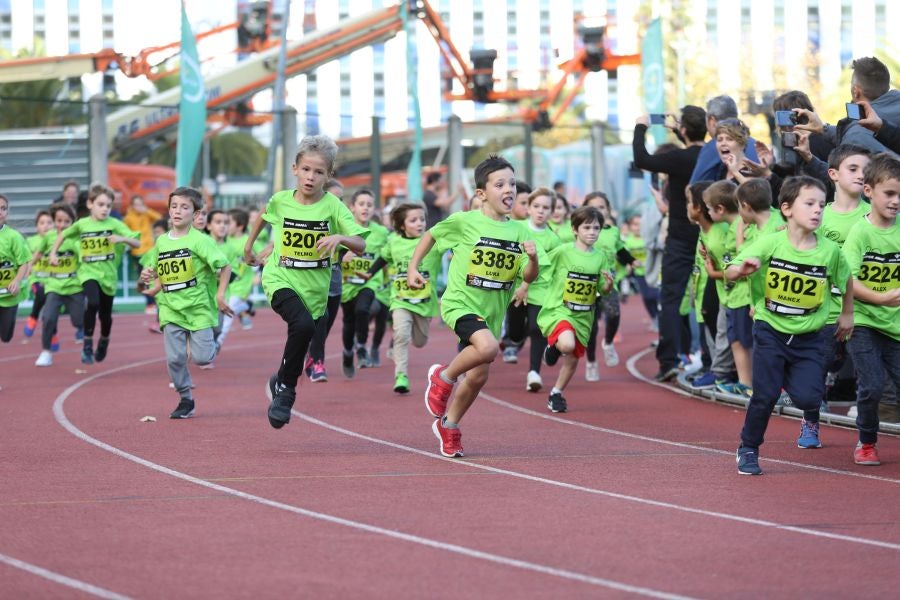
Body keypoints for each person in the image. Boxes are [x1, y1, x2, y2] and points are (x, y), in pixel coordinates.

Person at [408, 155, 537, 458]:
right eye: (500, 184)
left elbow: (528, 276)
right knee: (490, 347)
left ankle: (449, 426)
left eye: (512, 184)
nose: (509, 190)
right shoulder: (465, 222)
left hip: (491, 312)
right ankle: (442, 377)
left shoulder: (520, 232)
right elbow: (431, 235)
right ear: (481, 193)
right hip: (460, 304)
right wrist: (415, 267)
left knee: (478, 377)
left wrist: (532, 259)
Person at [727, 176, 853, 475]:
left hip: (810, 335)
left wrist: (847, 313)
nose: (817, 211)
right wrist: (741, 271)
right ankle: (748, 448)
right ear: (786, 208)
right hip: (771, 329)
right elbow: (731, 270)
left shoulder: (829, 251)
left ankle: (791, 379)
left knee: (809, 398)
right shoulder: (770, 242)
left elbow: (845, 278)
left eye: (821, 205)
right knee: (765, 395)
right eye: (809, 204)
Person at [245, 135, 367, 429]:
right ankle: (286, 392)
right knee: (303, 326)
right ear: (294, 169)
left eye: (319, 172)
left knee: (306, 328)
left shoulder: (333, 207)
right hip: (280, 277)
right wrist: (250, 246)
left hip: (315, 287)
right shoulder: (281, 200)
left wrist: (340, 238)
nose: (311, 177)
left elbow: (360, 244)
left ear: (329, 175)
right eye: (306, 170)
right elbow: (265, 215)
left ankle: (281, 377)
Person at [140, 187, 233, 419]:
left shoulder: (200, 241)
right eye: (174, 206)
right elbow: (154, 268)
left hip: (199, 309)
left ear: (195, 213)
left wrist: (220, 296)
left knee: (202, 358)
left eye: (184, 207)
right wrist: (147, 275)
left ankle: (212, 343)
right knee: (174, 359)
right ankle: (185, 399)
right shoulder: (161, 241)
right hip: (171, 309)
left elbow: (225, 266)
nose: (178, 211)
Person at [633, 106, 707, 381]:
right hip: (710, 235)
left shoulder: (678, 158)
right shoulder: (713, 155)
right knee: (709, 298)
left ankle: (669, 360)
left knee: (672, 299)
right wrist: (682, 130)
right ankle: (708, 359)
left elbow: (642, 158)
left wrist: (641, 126)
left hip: (679, 236)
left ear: (683, 130)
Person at [842, 153, 900, 466]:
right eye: (889, 193)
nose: (895, 201)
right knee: (873, 384)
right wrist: (879, 298)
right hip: (864, 320)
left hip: (895, 324)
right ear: (869, 191)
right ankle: (866, 442)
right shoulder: (860, 232)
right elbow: (847, 279)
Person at [49, 183, 140, 364]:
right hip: (88, 272)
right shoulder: (82, 224)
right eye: (100, 204)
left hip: (108, 275)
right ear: (90, 204)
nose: (105, 209)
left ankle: (104, 341)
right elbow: (62, 235)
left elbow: (137, 243)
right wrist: (53, 253)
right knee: (92, 302)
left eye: (108, 205)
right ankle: (87, 344)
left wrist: (121, 238)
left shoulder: (114, 224)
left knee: (105, 316)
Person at [537, 206, 614, 412]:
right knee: (568, 345)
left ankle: (556, 393)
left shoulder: (600, 258)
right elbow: (541, 265)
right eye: (587, 227)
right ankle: (553, 346)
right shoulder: (563, 251)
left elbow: (601, 289)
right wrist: (525, 284)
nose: (592, 232)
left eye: (596, 228)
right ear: (574, 230)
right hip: (560, 309)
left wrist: (607, 286)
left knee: (572, 359)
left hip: (584, 315)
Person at [361, 203, 442, 394]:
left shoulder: (434, 242)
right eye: (413, 220)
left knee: (420, 341)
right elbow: (383, 258)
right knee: (401, 335)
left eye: (422, 219)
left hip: (424, 303)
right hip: (400, 299)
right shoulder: (394, 241)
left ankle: (413, 333)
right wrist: (369, 273)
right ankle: (401, 376)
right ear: (402, 225)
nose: (420, 224)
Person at [817, 145, 872, 414]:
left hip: (863, 306)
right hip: (824, 308)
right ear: (833, 174)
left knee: (866, 361)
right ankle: (813, 408)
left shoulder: (872, 216)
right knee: (822, 360)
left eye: (865, 170)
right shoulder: (819, 216)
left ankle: (866, 407)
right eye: (853, 169)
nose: (861, 175)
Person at [721, 178, 786, 398]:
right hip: (763, 302)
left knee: (773, 349)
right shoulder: (773, 219)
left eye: (739, 206)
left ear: (746, 207)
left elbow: (737, 266)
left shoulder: (773, 230)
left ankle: (778, 390)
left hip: (778, 301)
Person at [503, 187, 561, 391]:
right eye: (536, 206)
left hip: (541, 290)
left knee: (537, 330)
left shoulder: (553, 239)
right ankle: (516, 339)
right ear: (528, 208)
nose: (540, 211)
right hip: (516, 289)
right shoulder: (516, 228)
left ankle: (534, 373)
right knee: (516, 334)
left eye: (546, 207)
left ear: (552, 211)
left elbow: (554, 268)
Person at [795, 57, 900, 155]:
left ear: (856, 91)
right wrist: (823, 128)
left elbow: (849, 173)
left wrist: (810, 160)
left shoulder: (855, 135)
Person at [339, 189, 390, 377]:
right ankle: (347, 352)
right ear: (352, 207)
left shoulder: (381, 232)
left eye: (369, 205)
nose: (365, 208)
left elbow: (387, 254)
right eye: (361, 204)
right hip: (347, 283)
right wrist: (341, 258)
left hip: (369, 281)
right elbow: (330, 250)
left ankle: (361, 347)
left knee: (363, 309)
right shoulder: (344, 228)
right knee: (349, 321)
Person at [305, 178, 346, 382]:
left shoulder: (344, 221)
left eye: (342, 199)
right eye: (335, 198)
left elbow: (357, 242)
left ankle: (311, 354)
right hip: (313, 281)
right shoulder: (314, 218)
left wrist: (347, 248)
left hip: (334, 281)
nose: (339, 203)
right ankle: (318, 363)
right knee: (321, 318)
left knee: (326, 324)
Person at [33, 203, 83, 367]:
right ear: (54, 221)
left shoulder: (75, 238)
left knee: (78, 320)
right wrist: (27, 268)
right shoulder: (49, 237)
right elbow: (39, 254)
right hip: (54, 286)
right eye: (59, 221)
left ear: (72, 222)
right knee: (48, 318)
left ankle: (82, 329)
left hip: (74, 287)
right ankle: (46, 352)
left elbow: (83, 257)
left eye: (66, 222)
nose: (62, 225)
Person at [701, 180, 739, 391]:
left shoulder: (728, 231)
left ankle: (724, 375)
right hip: (728, 294)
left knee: (731, 336)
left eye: (708, 208)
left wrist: (713, 271)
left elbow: (736, 267)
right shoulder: (731, 227)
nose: (707, 212)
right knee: (726, 334)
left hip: (735, 293)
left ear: (720, 209)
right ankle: (722, 373)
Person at [690, 95, 759, 184]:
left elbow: (692, 187)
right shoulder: (757, 145)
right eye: (720, 139)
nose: (723, 143)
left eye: (729, 139)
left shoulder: (711, 147)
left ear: (711, 120)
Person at [217, 208, 255, 346]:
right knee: (222, 311)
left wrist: (258, 272)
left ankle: (217, 344)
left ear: (240, 226)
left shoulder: (248, 241)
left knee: (228, 315)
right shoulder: (224, 241)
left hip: (241, 284)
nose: (225, 225)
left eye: (228, 222)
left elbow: (260, 257)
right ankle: (246, 306)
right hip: (226, 284)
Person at [0, 194, 31, 346]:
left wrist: (16, 281)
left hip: (8, 295)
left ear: (7, 212)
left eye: (3, 208)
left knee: (6, 336)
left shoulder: (13, 237)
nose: (0, 212)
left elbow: (23, 263)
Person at [124, 195, 162, 315]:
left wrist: (146, 210)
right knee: (145, 279)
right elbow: (126, 233)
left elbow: (159, 219)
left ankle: (153, 302)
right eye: (136, 204)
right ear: (132, 205)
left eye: (141, 204)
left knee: (153, 277)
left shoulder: (147, 214)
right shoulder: (129, 218)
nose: (139, 207)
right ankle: (149, 303)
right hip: (138, 252)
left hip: (149, 249)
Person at [23, 210, 53, 340]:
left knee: (51, 309)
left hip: (52, 280)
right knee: (40, 294)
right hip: (35, 278)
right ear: (37, 226)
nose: (46, 226)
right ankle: (34, 317)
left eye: (49, 222)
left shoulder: (57, 240)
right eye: (42, 223)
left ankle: (52, 334)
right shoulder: (31, 241)